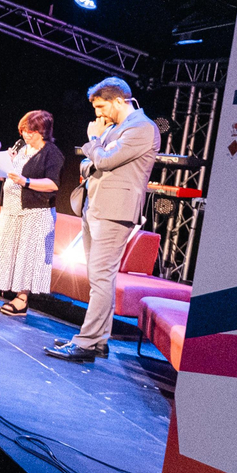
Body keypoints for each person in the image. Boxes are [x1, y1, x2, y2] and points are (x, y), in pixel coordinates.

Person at [49, 77, 158, 362]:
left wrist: (94, 142)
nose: (98, 115)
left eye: (101, 107)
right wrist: (97, 154)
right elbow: (90, 163)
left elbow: (105, 161)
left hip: (115, 212)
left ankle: (85, 343)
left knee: (100, 278)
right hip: (95, 207)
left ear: (119, 100)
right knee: (98, 278)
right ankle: (98, 340)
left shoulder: (142, 128)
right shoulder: (114, 128)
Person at [0, 111, 63, 317]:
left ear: (42, 131)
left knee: (27, 254)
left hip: (35, 212)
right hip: (10, 209)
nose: (25, 135)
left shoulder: (51, 153)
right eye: (23, 131)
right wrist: (3, 169)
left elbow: (53, 184)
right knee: (3, 250)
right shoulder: (20, 147)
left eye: (30, 131)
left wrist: (25, 181)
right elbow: (10, 175)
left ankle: (22, 298)